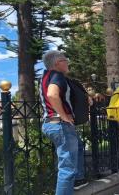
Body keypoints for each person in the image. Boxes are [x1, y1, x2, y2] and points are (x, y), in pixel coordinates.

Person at [40, 50, 87, 194]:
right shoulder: (57, 75)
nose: (68, 63)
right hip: (59, 123)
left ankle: (78, 179)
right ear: (57, 63)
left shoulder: (45, 76)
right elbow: (52, 95)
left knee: (76, 149)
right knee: (67, 168)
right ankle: (72, 182)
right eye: (65, 60)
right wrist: (64, 116)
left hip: (50, 123)